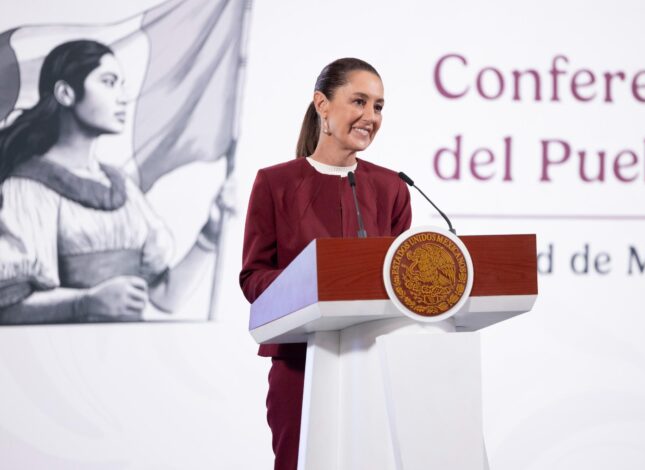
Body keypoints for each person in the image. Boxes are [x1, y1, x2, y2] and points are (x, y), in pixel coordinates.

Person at [239, 58, 412, 470]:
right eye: (359, 101)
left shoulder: (392, 188)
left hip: (374, 360)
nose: (371, 116)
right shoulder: (275, 183)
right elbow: (253, 278)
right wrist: (315, 282)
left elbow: (402, 280)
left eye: (378, 106)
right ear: (322, 104)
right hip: (300, 362)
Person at [0, 40, 231, 323]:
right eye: (109, 82)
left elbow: (165, 297)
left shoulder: (121, 187)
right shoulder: (27, 188)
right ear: (65, 93)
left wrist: (210, 234)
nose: (123, 98)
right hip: (63, 350)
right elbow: (8, 306)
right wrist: (86, 302)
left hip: (127, 348)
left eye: (122, 85)